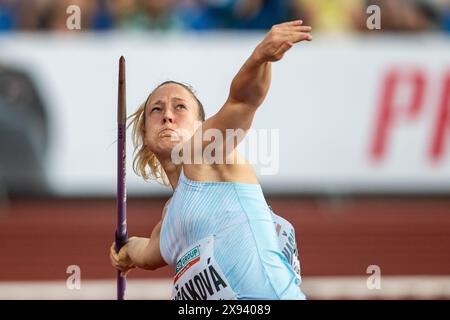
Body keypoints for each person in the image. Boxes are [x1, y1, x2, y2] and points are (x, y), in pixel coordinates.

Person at [110, 20, 312, 300]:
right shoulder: (169, 221)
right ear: (145, 135)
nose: (167, 115)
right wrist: (126, 250)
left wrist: (259, 59)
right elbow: (146, 254)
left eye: (179, 107)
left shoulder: (204, 153)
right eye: (156, 110)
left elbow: (242, 101)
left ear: (200, 126)